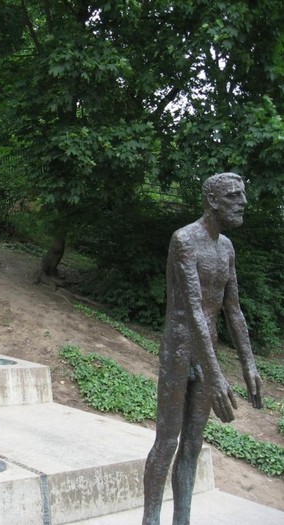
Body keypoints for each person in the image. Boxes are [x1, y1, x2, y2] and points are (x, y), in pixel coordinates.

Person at [142, 172, 263, 525]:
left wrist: (249, 363)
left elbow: (233, 308)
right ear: (212, 200)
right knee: (167, 441)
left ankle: (182, 520)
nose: (243, 202)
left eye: (242, 194)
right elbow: (193, 308)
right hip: (179, 349)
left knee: (193, 445)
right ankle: (151, 520)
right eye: (233, 196)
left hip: (206, 350)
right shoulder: (184, 240)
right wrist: (215, 374)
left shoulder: (227, 248)